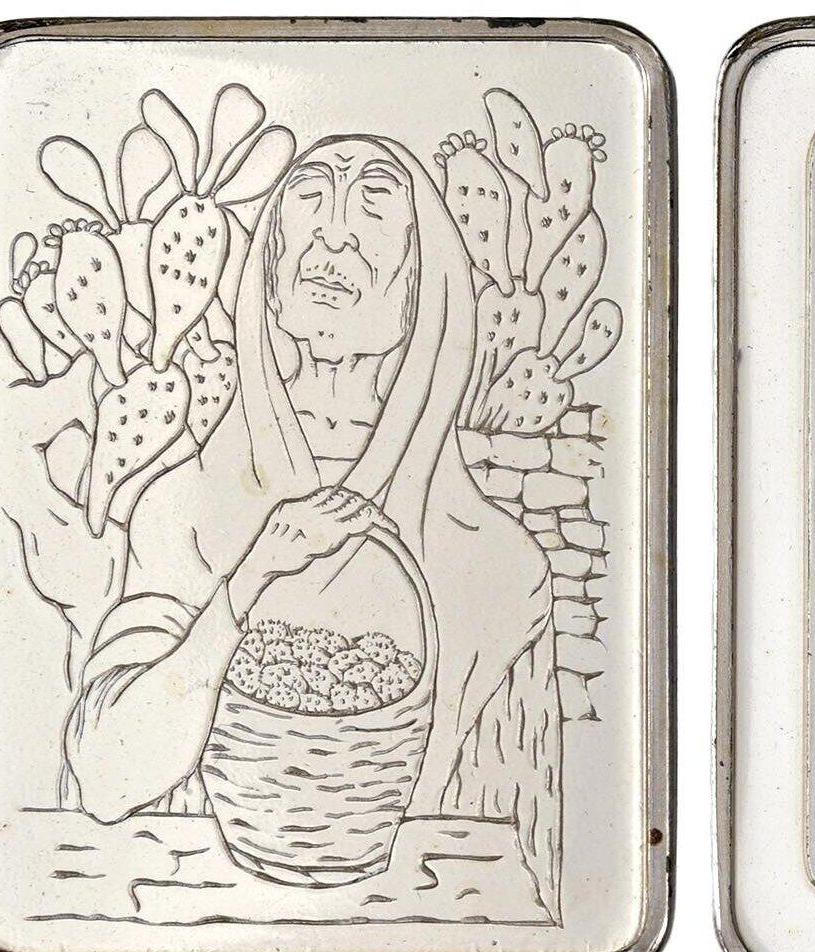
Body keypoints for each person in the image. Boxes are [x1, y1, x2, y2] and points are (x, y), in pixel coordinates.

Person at [64, 136, 554, 858]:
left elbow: (533, 850)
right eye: (310, 196)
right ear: (268, 269)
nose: (334, 232)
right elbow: (106, 776)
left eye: (376, 201)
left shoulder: (506, 569)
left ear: (426, 282)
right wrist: (248, 582)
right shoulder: (182, 508)